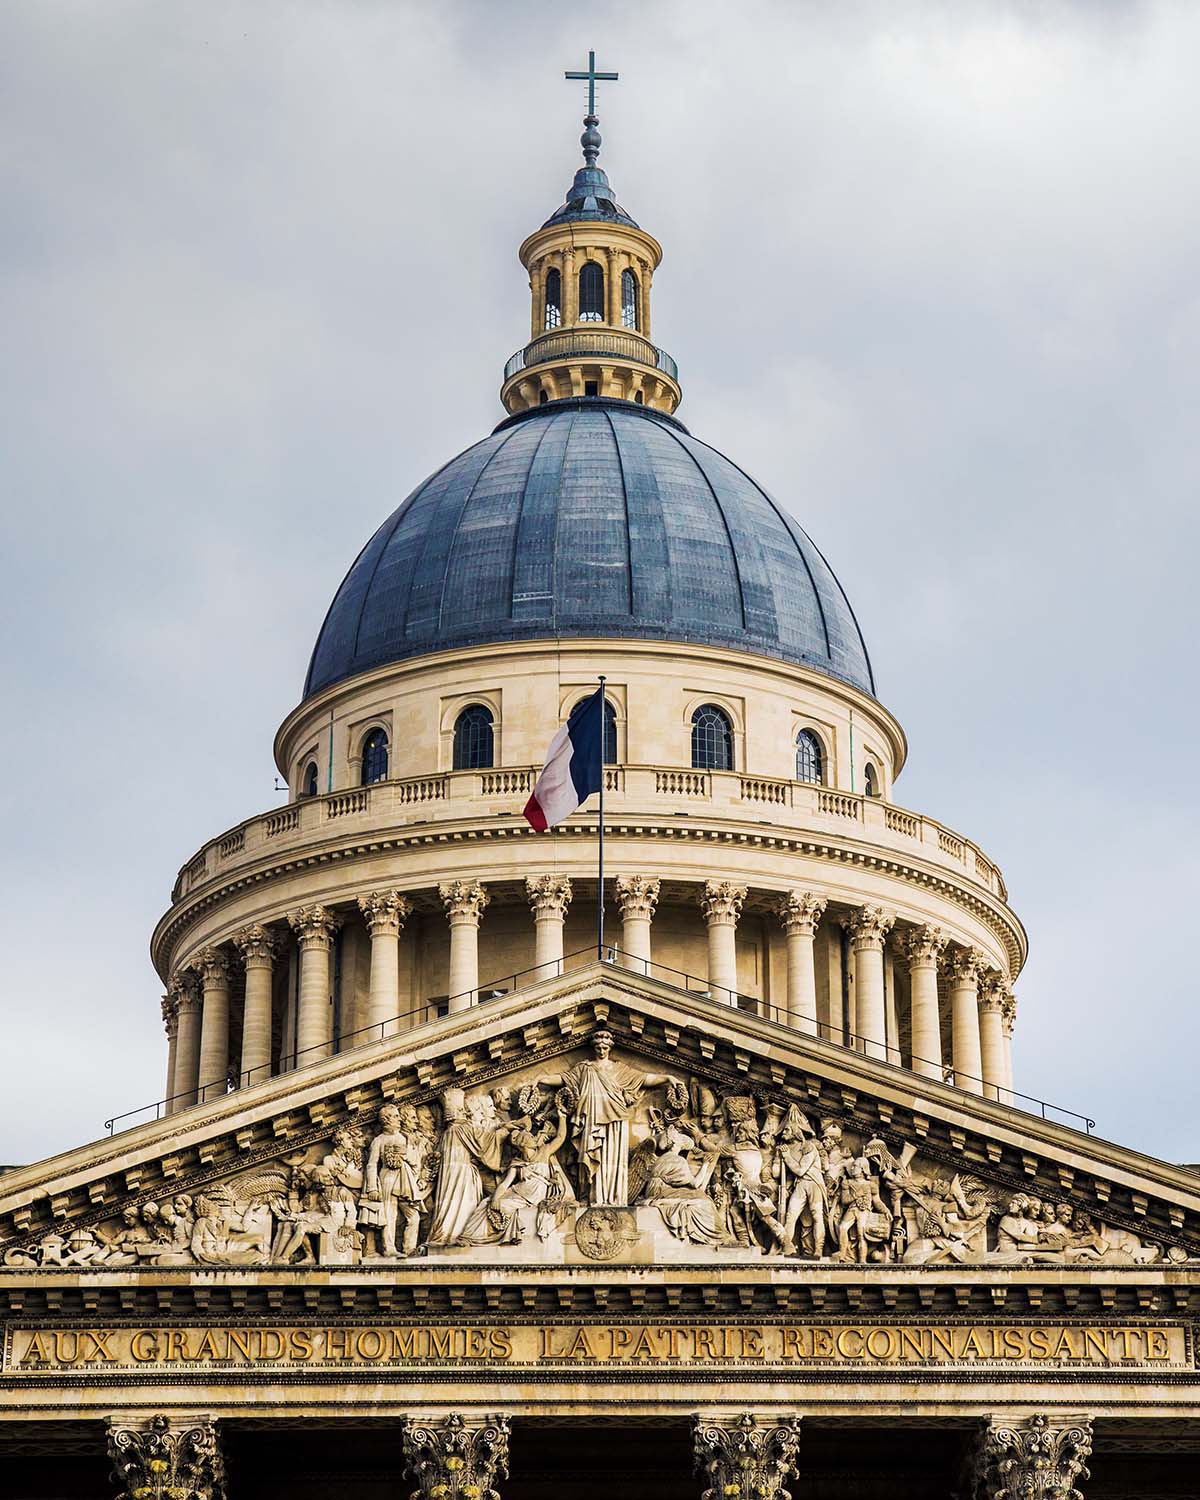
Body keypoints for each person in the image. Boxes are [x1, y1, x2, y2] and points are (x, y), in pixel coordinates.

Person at [536, 1031, 668, 1206]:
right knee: (592, 1157)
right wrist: (540, 1078)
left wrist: (668, 1077)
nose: (601, 1050)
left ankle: (613, 1197)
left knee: (613, 1160)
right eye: (598, 1047)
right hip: (591, 1121)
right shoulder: (585, 1068)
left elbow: (645, 1079)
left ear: (610, 1048)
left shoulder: (620, 1069)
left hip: (616, 1122)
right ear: (594, 1048)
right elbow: (562, 1078)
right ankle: (594, 1196)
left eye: (605, 1047)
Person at [426, 1088, 512, 1246]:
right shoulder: (462, 1129)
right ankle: (456, 1235)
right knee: (463, 1203)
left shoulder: (446, 1133)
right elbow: (484, 1144)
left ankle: (447, 1234)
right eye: (463, 1111)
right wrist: (507, 1129)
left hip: (451, 1176)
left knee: (451, 1203)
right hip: (462, 1175)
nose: (466, 1113)